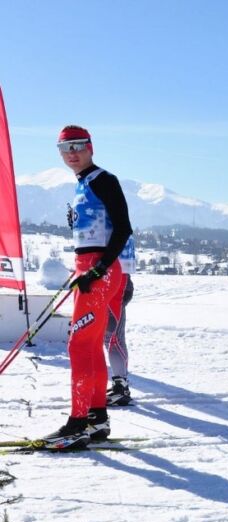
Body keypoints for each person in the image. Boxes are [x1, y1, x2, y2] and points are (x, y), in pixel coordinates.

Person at [43, 126, 132, 449]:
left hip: (101, 271)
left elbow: (123, 229)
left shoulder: (104, 180)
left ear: (91, 147)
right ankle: (96, 418)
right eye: (65, 148)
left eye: (78, 146)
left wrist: (97, 268)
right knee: (90, 346)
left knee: (79, 346)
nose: (72, 153)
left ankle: (78, 423)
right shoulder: (83, 185)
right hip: (90, 269)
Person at [106, 236, 136, 405]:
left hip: (117, 281)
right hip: (111, 279)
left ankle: (121, 387)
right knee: (108, 337)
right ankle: (119, 383)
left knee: (114, 338)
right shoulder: (106, 219)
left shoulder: (115, 221)